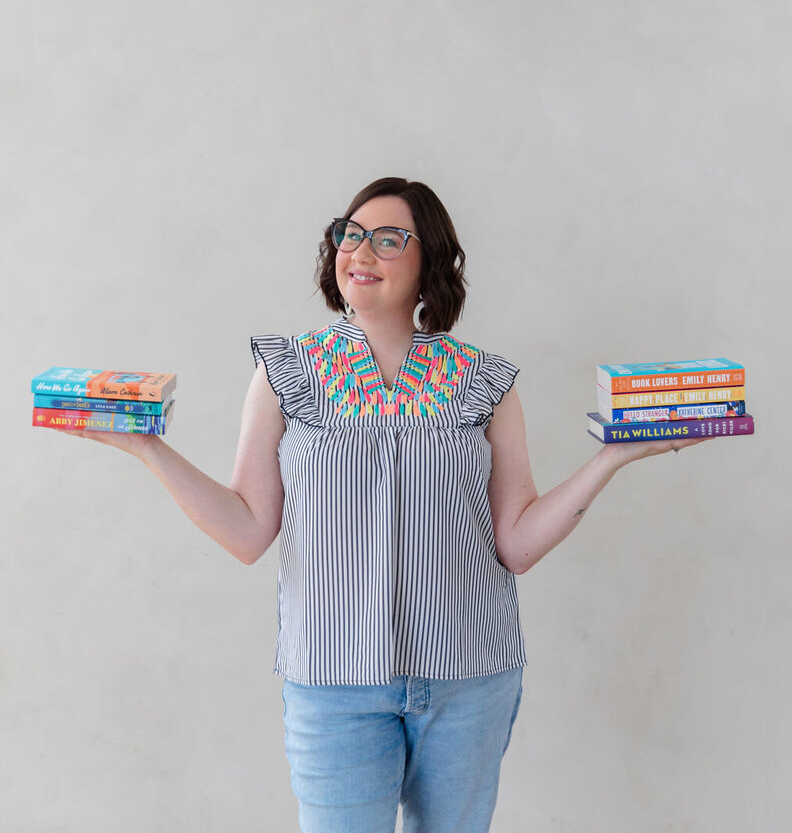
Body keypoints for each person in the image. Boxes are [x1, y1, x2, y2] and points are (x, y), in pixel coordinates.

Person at [60, 176, 707, 833]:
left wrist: (612, 459)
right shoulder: (287, 372)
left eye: (388, 239)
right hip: (333, 686)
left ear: (431, 261)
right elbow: (248, 529)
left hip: (469, 681)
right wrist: (147, 449)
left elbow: (516, 542)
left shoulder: (485, 381)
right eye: (350, 234)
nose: (359, 251)